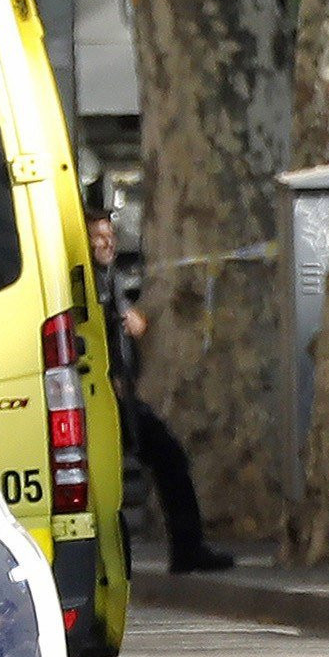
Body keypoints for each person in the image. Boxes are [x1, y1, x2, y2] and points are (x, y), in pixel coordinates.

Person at [88, 214, 234, 575]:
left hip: (119, 396)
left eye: (110, 235)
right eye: (98, 237)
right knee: (162, 459)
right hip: (103, 396)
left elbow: (122, 319)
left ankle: (187, 550)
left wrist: (132, 321)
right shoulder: (89, 281)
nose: (107, 243)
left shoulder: (108, 277)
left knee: (167, 459)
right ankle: (183, 551)